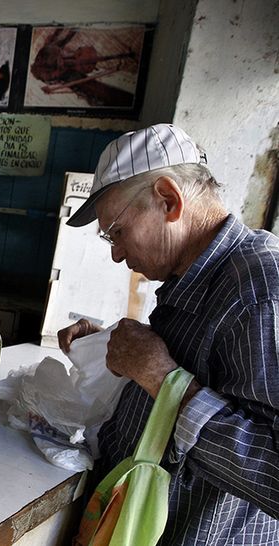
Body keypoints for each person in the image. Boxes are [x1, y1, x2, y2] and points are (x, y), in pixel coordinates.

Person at [59, 124, 279, 544]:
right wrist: (108, 345)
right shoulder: (194, 277)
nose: (116, 253)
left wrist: (161, 377)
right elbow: (197, 368)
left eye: (116, 232)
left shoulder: (260, 290)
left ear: (168, 199)